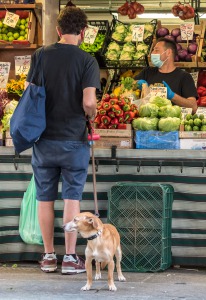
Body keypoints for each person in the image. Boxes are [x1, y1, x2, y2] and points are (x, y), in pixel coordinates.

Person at [26, 7, 100, 274]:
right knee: (72, 198)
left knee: (44, 198)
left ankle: (48, 257)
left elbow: (31, 95)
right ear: (83, 32)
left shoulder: (40, 56)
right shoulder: (87, 60)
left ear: (58, 30)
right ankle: (70, 258)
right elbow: (89, 101)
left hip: (43, 139)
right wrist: (91, 112)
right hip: (74, 140)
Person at [134, 37, 198, 113]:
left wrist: (172, 96)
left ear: (168, 52)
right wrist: (136, 83)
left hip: (171, 122)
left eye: (156, 50)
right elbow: (127, 86)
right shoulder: (147, 72)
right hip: (148, 120)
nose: (152, 53)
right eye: (153, 50)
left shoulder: (184, 77)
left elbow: (193, 107)